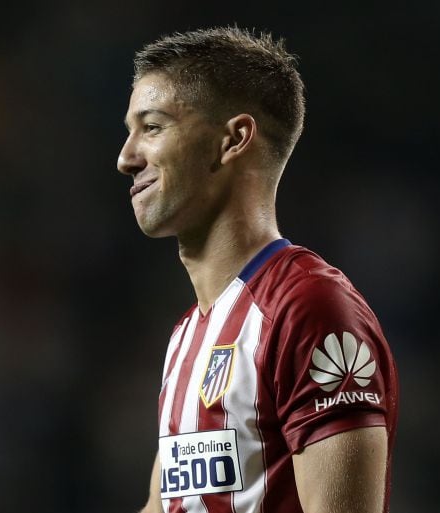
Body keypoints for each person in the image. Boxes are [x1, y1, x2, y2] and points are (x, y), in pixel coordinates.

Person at [116, 27, 398, 513]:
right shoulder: (187, 335)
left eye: (153, 127)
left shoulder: (308, 308)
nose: (126, 158)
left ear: (234, 139)